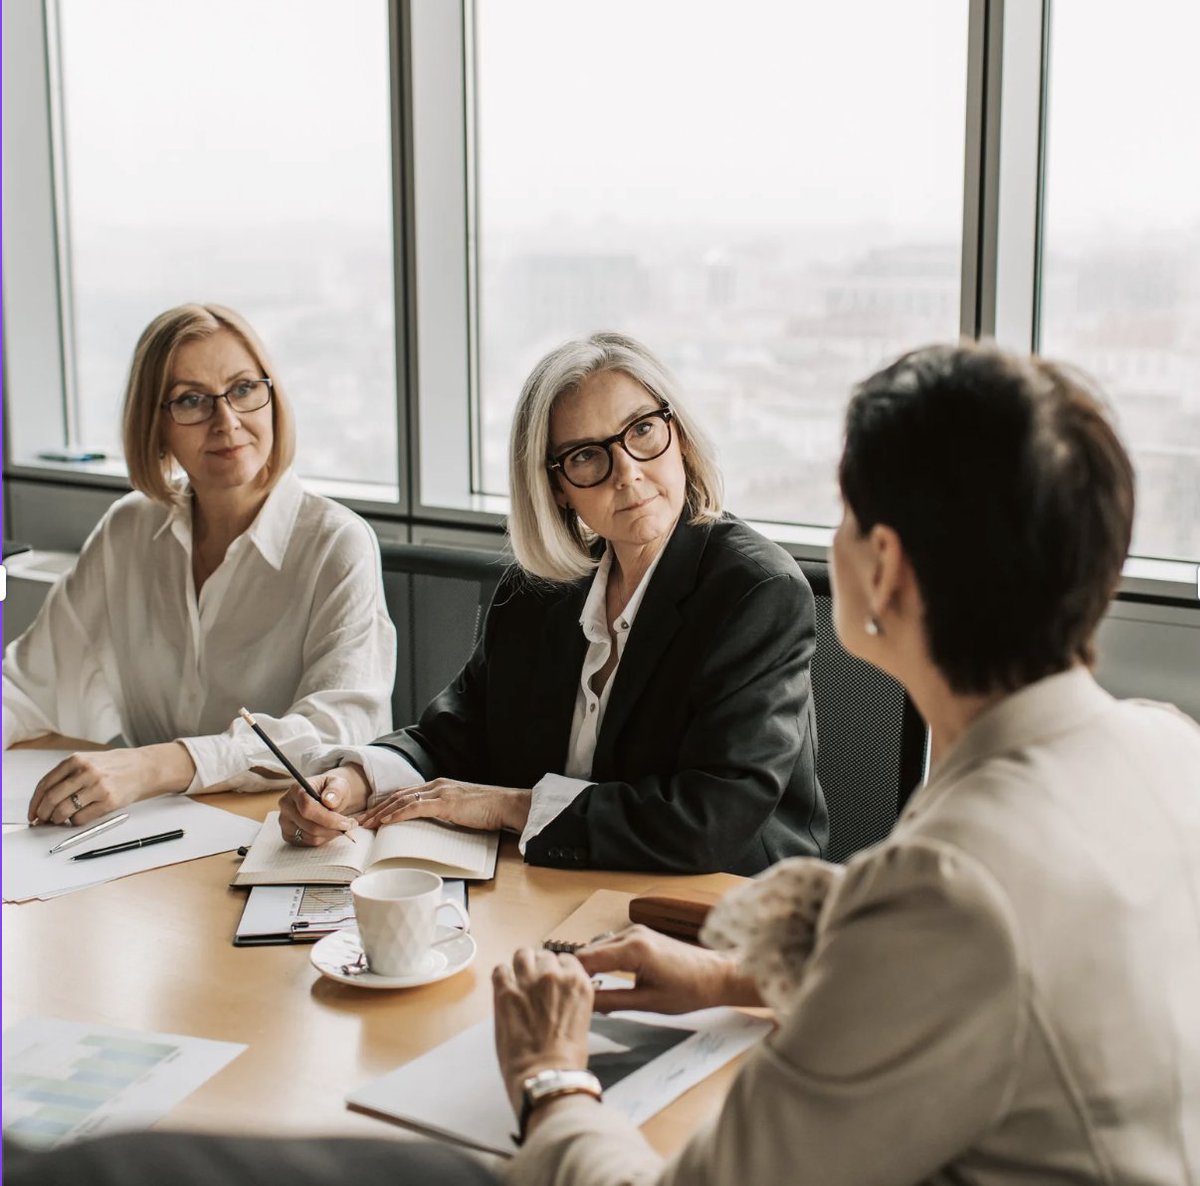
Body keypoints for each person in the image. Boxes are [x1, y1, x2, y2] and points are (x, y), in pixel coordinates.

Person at [490, 344, 1200, 1184]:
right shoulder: (1170, 747)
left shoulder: (949, 882)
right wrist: (729, 977)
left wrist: (549, 1076)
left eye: (846, 513)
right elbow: (983, 981)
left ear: (884, 566)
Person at [279, 332, 826, 874]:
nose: (627, 472)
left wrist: (507, 806)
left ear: (677, 434)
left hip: (720, 899)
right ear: (558, 487)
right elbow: (455, 737)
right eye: (587, 455)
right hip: (554, 886)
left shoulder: (756, 592)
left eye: (642, 430)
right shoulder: (536, 592)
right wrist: (354, 780)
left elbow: (711, 819)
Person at [4, 303, 396, 826]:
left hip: (283, 834)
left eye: (243, 389)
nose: (227, 422)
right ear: (155, 425)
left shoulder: (337, 543)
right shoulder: (129, 529)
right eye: (191, 400)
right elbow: (27, 685)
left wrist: (161, 764)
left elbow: (337, 732)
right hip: (150, 829)